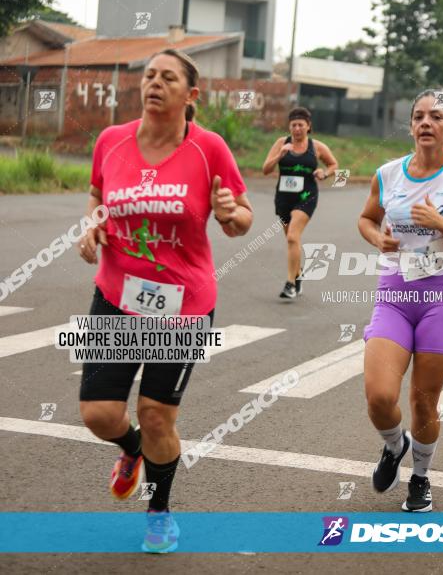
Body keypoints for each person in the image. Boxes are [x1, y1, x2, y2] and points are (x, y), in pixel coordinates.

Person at [78, 49, 253, 553]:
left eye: (168, 77)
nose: (155, 83)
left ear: (190, 94)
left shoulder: (209, 148)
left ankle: (158, 511)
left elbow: (242, 218)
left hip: (184, 305)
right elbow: (96, 197)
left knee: (157, 414)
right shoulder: (111, 142)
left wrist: (228, 213)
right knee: (99, 414)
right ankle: (130, 449)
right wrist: (91, 225)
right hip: (116, 296)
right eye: (150, 75)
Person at [358, 90, 443, 512]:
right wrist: (378, 237)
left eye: (436, 117)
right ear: (412, 125)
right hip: (394, 295)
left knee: (423, 401)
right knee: (380, 396)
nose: (425, 123)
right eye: (418, 116)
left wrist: (441, 223)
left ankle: (420, 477)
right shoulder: (388, 174)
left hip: (440, 297)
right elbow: (365, 218)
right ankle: (395, 447)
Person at [262, 107, 339, 299]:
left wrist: (324, 173)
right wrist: (280, 155)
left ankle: (290, 285)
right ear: (289, 127)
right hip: (283, 197)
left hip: (306, 196)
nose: (297, 129)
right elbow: (265, 169)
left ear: (308, 127)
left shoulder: (316, 147)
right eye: (293, 125)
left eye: (300, 125)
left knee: (292, 237)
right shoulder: (281, 143)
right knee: (291, 239)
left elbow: (333, 164)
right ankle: (298, 275)